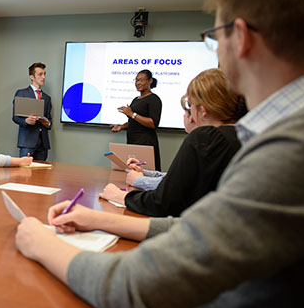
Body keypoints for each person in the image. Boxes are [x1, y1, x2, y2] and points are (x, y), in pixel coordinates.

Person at [15, 0, 304, 308]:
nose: (216, 52)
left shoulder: (290, 149)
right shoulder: (279, 134)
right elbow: (201, 232)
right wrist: (100, 218)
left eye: (214, 38)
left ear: (242, 38)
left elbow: (134, 288)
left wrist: (40, 243)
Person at [101, 68, 246, 217]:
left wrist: (122, 195)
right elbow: (179, 179)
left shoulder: (205, 139)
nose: (189, 117)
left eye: (190, 108)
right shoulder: (243, 136)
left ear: (202, 111)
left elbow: (165, 199)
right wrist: (145, 173)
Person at [111, 69, 162, 170]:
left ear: (150, 81)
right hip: (133, 141)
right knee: (133, 172)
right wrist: (121, 127)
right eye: (136, 80)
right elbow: (134, 122)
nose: (138, 83)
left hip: (145, 143)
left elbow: (153, 123)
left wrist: (132, 114)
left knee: (146, 173)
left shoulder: (154, 99)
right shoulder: (136, 99)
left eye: (141, 80)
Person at [12, 62, 52, 160]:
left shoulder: (47, 98)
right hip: (27, 142)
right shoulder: (21, 93)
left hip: (43, 144)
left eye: (44, 74)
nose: (43, 77)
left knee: (42, 174)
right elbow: (15, 117)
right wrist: (26, 121)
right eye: (40, 74)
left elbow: (49, 120)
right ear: (31, 77)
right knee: (25, 173)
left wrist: (47, 123)